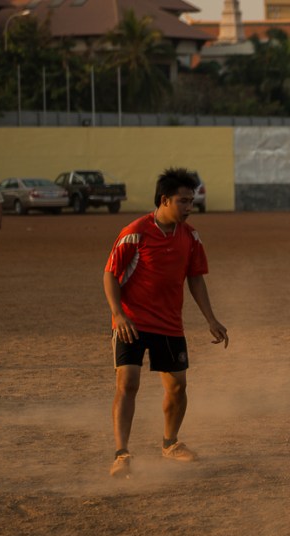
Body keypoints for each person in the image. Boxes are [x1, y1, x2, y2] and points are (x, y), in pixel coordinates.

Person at [103, 167, 229, 478]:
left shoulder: (191, 237)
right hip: (131, 323)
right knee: (128, 383)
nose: (189, 207)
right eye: (183, 201)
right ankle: (122, 454)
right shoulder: (135, 232)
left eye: (191, 201)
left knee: (177, 387)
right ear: (164, 200)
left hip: (169, 325)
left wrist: (211, 318)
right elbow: (109, 274)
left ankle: (170, 444)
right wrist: (118, 314)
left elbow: (195, 279)